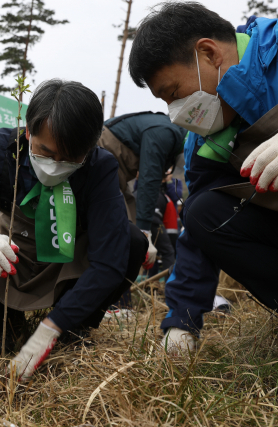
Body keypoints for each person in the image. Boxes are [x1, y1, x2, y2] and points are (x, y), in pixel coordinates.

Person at [0, 79, 148, 381]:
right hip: (13, 257)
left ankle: (72, 328)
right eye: (45, 151)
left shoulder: (101, 167)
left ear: (90, 147)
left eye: (71, 157)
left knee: (132, 242)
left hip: (67, 265)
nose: (55, 164)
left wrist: (53, 326)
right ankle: (4, 329)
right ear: (28, 130)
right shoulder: (1, 148)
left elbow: (109, 260)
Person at [128, 2, 278, 351]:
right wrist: (182, 321)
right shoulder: (205, 144)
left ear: (209, 53)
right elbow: (195, 236)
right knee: (203, 212)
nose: (175, 113)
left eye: (174, 94)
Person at [98, 112, 186, 271]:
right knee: (118, 227)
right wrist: (145, 232)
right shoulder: (165, 132)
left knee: (128, 216)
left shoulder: (169, 133)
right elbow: (149, 178)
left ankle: (120, 289)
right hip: (107, 152)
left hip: (118, 168)